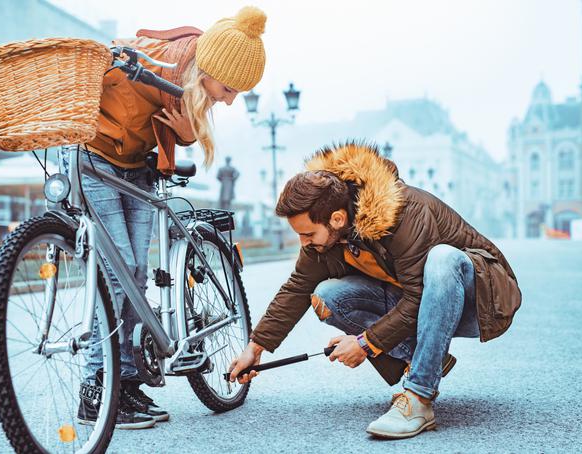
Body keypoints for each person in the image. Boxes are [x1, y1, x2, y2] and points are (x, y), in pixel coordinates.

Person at [59, 6, 267, 430]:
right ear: (209, 67)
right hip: (93, 160)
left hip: (137, 169)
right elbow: (107, 59)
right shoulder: (156, 57)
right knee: (120, 275)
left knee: (134, 277)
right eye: (229, 88)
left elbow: (185, 127)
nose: (229, 100)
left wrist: (188, 132)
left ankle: (129, 383)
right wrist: (110, 57)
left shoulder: (191, 80)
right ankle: (98, 387)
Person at [228, 141, 522, 439]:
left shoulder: (406, 211)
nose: (303, 242)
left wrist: (366, 343)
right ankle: (423, 356)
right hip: (420, 305)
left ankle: (419, 398)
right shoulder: (328, 235)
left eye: (307, 233)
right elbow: (297, 288)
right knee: (327, 295)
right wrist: (255, 348)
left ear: (337, 219)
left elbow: (418, 296)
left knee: (442, 258)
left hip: (479, 301)